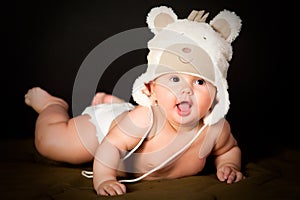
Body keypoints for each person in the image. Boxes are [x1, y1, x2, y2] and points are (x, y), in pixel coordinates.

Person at [24, 6, 244, 196]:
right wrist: (105, 178)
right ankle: (52, 107)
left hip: (127, 119)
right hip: (104, 132)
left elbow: (228, 150)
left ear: (217, 93)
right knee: (50, 142)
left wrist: (228, 165)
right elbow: (112, 144)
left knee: (126, 119)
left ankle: (110, 102)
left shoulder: (216, 129)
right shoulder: (144, 118)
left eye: (199, 82)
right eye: (174, 79)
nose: (185, 90)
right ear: (151, 89)